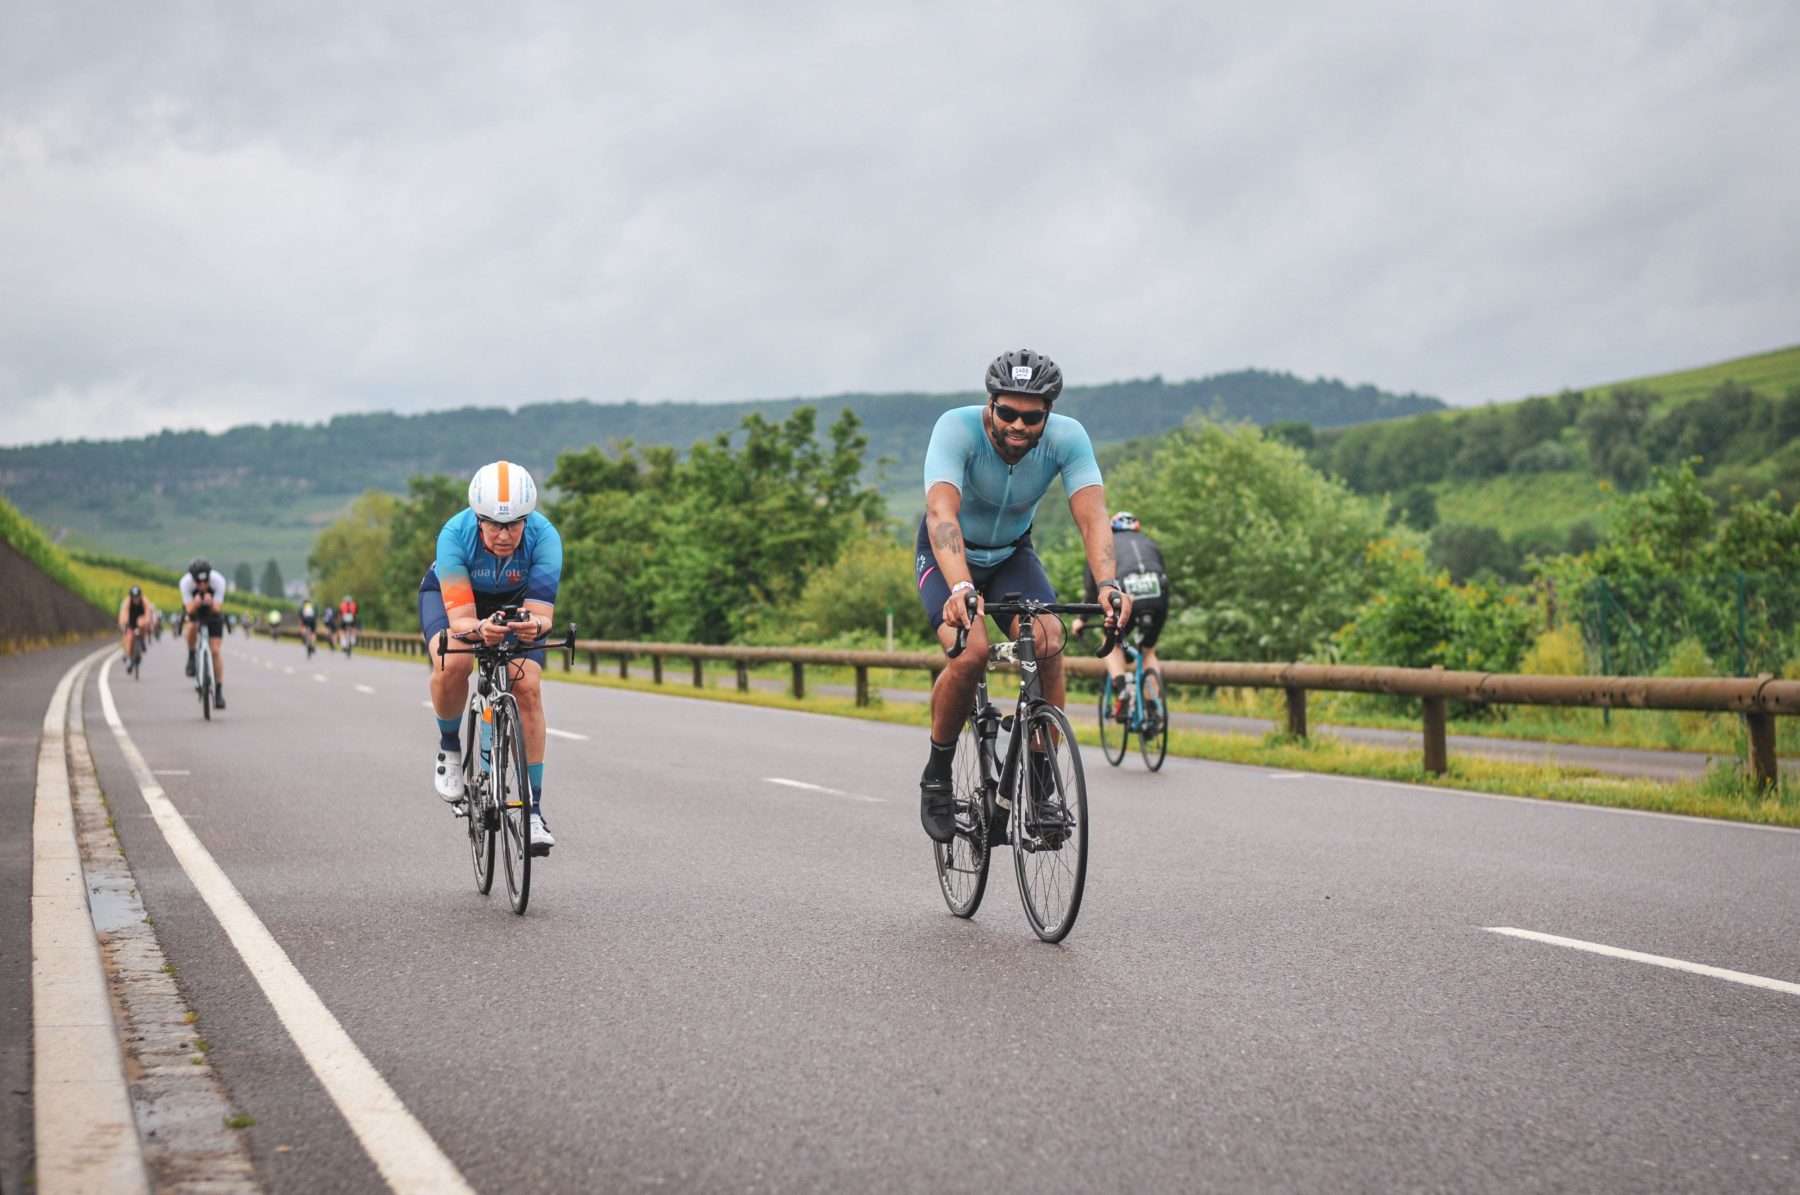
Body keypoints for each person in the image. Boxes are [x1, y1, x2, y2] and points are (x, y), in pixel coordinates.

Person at [914, 349, 1130, 843]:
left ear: (1047, 415)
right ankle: (937, 775)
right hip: (951, 554)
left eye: (1031, 418)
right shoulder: (956, 428)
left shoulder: (1067, 439)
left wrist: (1108, 585)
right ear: (989, 404)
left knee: (1051, 640)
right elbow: (942, 513)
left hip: (1013, 554)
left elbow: (1094, 517)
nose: (1018, 426)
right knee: (969, 655)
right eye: (1006, 413)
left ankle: (1040, 781)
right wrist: (962, 585)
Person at [419, 461, 563, 853]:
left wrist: (533, 627)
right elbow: (463, 620)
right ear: (477, 518)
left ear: (527, 519)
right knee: (455, 662)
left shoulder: (545, 537)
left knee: (527, 687)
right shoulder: (454, 534)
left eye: (515, 524)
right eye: (494, 525)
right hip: (456, 600)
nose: (504, 535)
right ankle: (450, 746)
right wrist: (479, 629)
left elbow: (544, 615)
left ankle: (532, 812)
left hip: (516, 605)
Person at [1071, 512, 1170, 721]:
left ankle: (1122, 687)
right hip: (1158, 592)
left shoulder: (1105, 544)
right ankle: (1152, 708)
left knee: (1112, 643)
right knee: (1149, 651)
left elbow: (1094, 590)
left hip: (1128, 593)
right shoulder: (1149, 543)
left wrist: (1082, 619)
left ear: (1111, 529)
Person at [180, 558, 228, 709]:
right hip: (195, 612)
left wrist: (211, 602)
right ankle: (191, 655)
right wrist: (195, 603)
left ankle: (219, 691)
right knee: (192, 626)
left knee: (215, 650)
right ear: (193, 580)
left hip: (212, 614)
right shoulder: (185, 583)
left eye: (205, 581)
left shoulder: (219, 581)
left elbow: (218, 608)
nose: (202, 585)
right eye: (198, 582)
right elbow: (188, 609)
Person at [118, 585, 150, 672]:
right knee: (129, 638)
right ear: (131, 597)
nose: (135, 599)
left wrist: (146, 622)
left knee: (142, 625)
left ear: (140, 596)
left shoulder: (145, 602)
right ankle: (129, 658)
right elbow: (124, 614)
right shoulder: (127, 602)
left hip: (141, 621)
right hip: (131, 621)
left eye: (137, 597)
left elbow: (148, 614)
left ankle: (142, 641)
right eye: (134, 597)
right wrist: (123, 623)